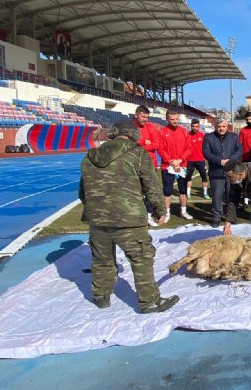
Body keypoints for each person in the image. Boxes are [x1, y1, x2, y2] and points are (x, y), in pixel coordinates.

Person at [78, 119, 179, 314]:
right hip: (128, 218)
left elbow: (83, 191)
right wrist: (160, 210)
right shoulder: (138, 153)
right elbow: (151, 185)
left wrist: (96, 209)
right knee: (141, 258)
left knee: (101, 259)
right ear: (133, 134)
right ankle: (149, 301)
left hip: (97, 219)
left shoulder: (90, 156)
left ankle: (101, 295)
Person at [203, 118, 243, 228]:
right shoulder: (208, 137)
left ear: (227, 126)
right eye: (219, 126)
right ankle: (216, 217)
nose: (221, 128)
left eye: (223, 126)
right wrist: (220, 161)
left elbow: (239, 150)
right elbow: (206, 153)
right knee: (217, 196)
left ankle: (231, 217)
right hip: (216, 172)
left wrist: (230, 161)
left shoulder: (233, 136)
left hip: (232, 172)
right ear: (215, 127)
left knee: (232, 196)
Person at [157, 109, 193, 221]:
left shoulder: (184, 131)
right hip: (167, 166)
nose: (175, 121)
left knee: (183, 190)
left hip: (182, 165)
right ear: (167, 119)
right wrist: (171, 161)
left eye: (177, 119)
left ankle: (183, 211)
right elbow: (160, 149)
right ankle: (167, 213)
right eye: (172, 119)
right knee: (167, 191)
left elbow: (189, 148)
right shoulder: (162, 131)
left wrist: (180, 160)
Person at [133, 105, 161, 226]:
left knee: (150, 191)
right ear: (136, 115)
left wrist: (140, 144)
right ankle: (138, 216)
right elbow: (129, 144)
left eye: (147, 117)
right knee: (135, 191)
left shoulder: (151, 127)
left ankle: (149, 214)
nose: (145, 119)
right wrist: (144, 142)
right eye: (143, 116)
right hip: (133, 163)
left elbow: (157, 145)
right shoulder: (130, 127)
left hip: (151, 164)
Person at [185, 119, 210, 201]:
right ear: (191, 126)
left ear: (199, 127)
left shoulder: (202, 135)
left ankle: (205, 193)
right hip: (190, 160)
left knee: (204, 177)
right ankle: (188, 193)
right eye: (193, 126)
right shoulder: (187, 135)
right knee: (188, 177)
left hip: (200, 160)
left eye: (196, 126)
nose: (195, 128)